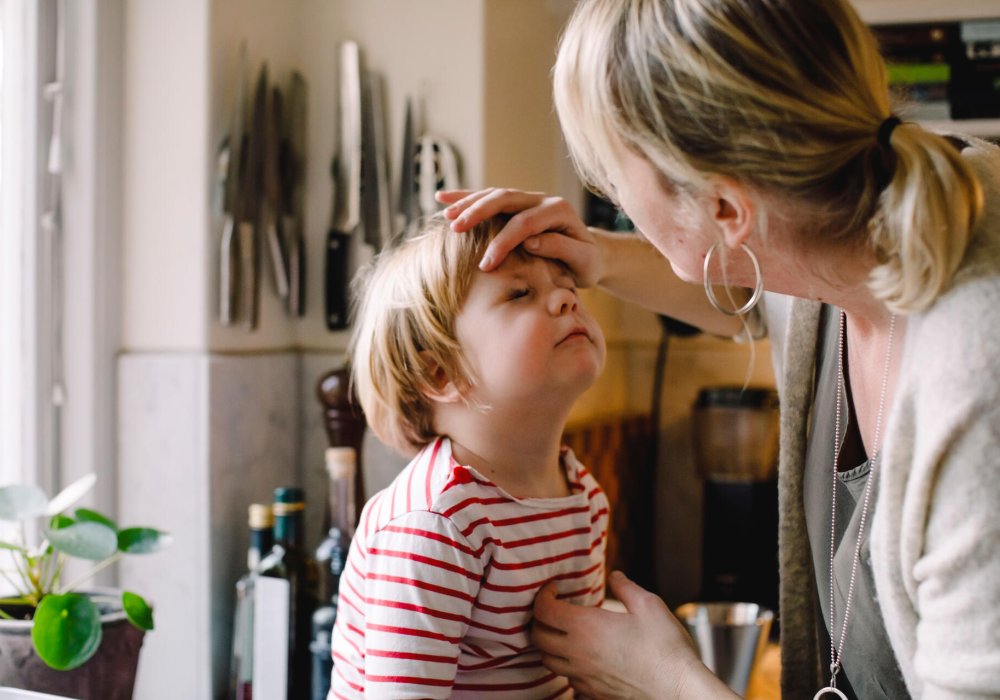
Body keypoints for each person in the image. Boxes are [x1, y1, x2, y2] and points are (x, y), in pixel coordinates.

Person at [437, 0, 1000, 698]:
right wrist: (599, 256)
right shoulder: (847, 221)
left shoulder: (979, 372)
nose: (610, 195)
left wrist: (666, 682)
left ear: (729, 209)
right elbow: (763, 287)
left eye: (616, 174)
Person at [330, 214, 610, 698]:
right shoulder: (438, 523)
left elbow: (584, 676)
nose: (567, 298)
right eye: (520, 293)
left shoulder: (583, 496)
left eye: (568, 288)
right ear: (440, 373)